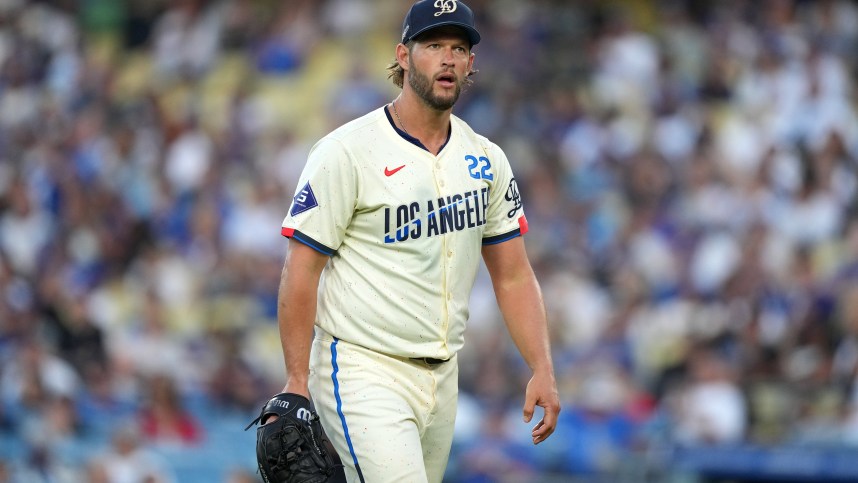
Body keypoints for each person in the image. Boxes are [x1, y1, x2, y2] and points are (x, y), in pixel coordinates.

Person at [274, 1, 560, 481]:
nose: (447, 58)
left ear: (471, 63)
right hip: (364, 366)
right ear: (403, 56)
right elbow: (300, 269)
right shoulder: (347, 151)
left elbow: (512, 274)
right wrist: (297, 381)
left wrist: (542, 366)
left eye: (459, 48)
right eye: (433, 46)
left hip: (443, 375)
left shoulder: (485, 158)